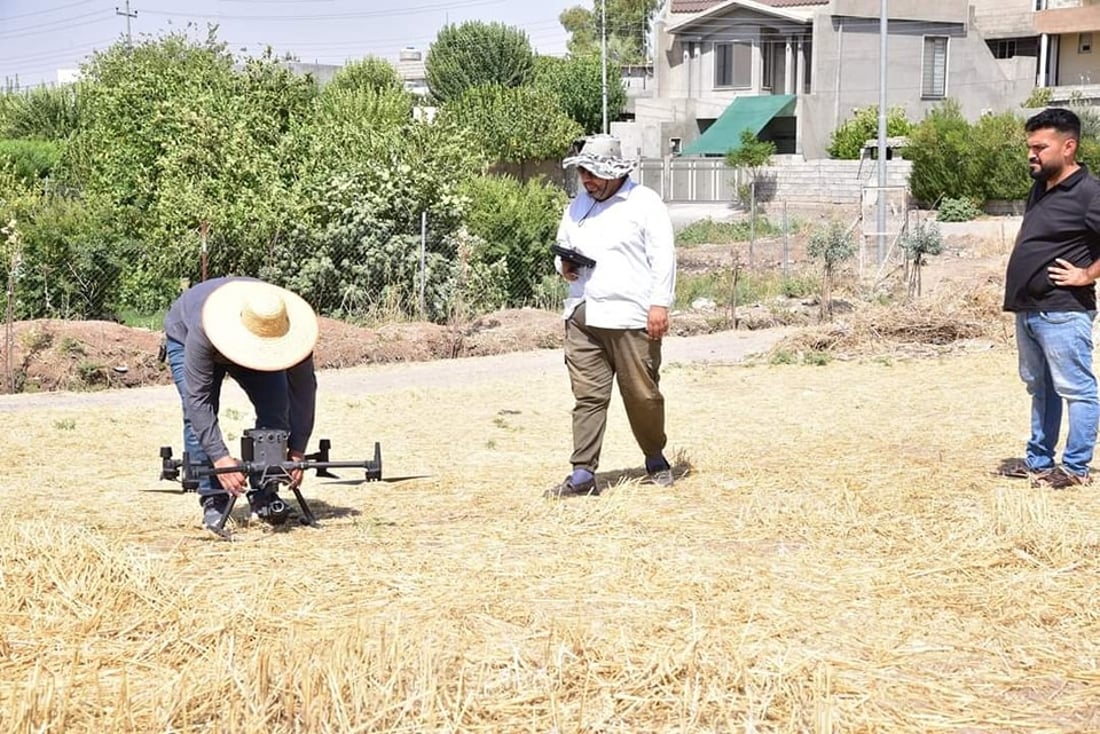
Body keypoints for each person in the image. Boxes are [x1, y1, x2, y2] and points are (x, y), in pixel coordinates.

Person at [547, 133, 677, 498]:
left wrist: (660, 304)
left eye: (594, 174)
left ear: (615, 171)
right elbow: (563, 248)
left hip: (632, 316)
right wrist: (565, 264)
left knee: (642, 395)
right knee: (588, 396)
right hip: (583, 314)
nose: (587, 181)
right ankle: (583, 474)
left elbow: (663, 256)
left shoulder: (644, 203)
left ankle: (655, 457)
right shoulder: (577, 205)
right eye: (583, 174)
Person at [163, 277, 320, 531]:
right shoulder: (204, 327)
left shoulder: (293, 330)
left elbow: (303, 391)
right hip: (187, 336)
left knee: (277, 407)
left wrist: (298, 450)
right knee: (197, 418)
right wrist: (221, 458)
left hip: (253, 339)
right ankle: (213, 498)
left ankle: (265, 492)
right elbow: (198, 400)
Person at [1002, 107, 1100, 489]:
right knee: (1040, 388)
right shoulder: (1041, 186)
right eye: (1030, 147)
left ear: (1069, 146)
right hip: (1029, 309)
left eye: (1040, 147)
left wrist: (1087, 274)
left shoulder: (1090, 193)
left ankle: (1075, 469)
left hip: (1063, 311)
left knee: (1077, 389)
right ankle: (1040, 461)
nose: (1032, 154)